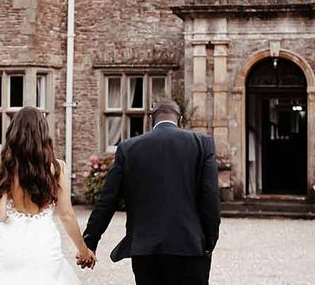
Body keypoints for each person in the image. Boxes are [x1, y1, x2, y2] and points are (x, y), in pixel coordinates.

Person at [0, 106, 96, 284]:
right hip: (43, 243)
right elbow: (67, 215)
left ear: (14, 133)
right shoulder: (57, 167)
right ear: (43, 133)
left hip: (10, 244)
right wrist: (84, 250)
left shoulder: (3, 167)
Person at [80, 98, 220, 285]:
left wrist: (90, 241)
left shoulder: (128, 148)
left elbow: (107, 200)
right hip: (190, 247)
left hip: (146, 249)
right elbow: (210, 198)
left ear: (151, 120)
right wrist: (209, 241)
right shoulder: (202, 144)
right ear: (181, 118)